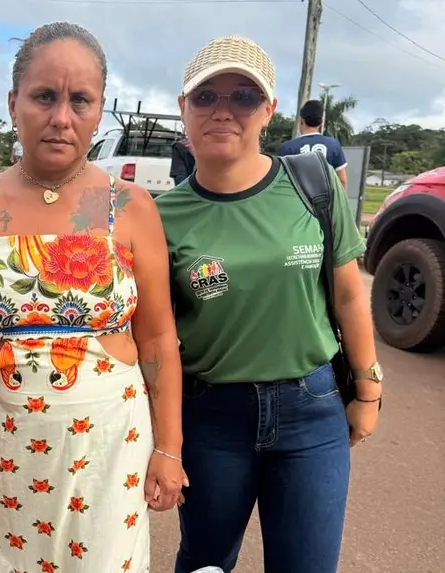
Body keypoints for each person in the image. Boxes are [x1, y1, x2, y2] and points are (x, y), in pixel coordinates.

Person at [0, 21, 185, 573]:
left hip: (113, 448)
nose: (61, 117)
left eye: (80, 100)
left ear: (98, 110)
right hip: (11, 446)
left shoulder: (122, 206)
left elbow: (159, 335)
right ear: (14, 101)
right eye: (45, 96)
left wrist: (169, 448)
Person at [156, 36, 382, 573]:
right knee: (207, 562)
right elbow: (154, 336)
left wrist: (368, 387)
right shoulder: (161, 215)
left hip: (312, 411)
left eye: (243, 96)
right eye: (206, 97)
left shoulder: (312, 183)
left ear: (269, 110)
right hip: (211, 419)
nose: (224, 111)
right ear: (184, 107)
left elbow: (349, 291)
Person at [278, 99, 349, 189]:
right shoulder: (333, 145)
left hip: (296, 200)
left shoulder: (288, 147)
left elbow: (280, 181)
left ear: (301, 120)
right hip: (326, 200)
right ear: (321, 122)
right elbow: (342, 180)